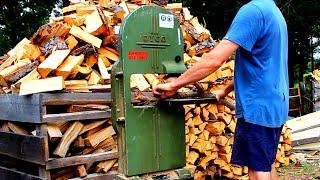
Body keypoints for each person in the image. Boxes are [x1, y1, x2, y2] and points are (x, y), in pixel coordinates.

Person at [153, 0, 289, 179]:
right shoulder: (273, 12)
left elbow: (214, 60)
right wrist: (225, 90)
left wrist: (174, 84)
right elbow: (261, 66)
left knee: (257, 170)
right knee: (266, 163)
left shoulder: (253, 11)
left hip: (258, 107)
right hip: (275, 102)